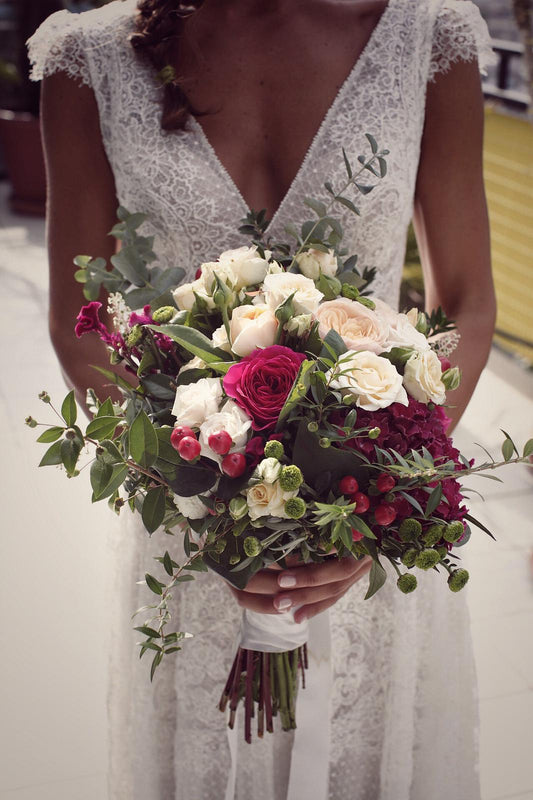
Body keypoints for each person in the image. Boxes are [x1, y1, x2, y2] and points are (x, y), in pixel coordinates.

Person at [28, 0, 496, 797]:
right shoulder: (87, 61)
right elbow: (83, 333)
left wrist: (378, 501)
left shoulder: (427, 37)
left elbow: (463, 299)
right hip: (192, 529)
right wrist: (212, 512)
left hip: (363, 527)